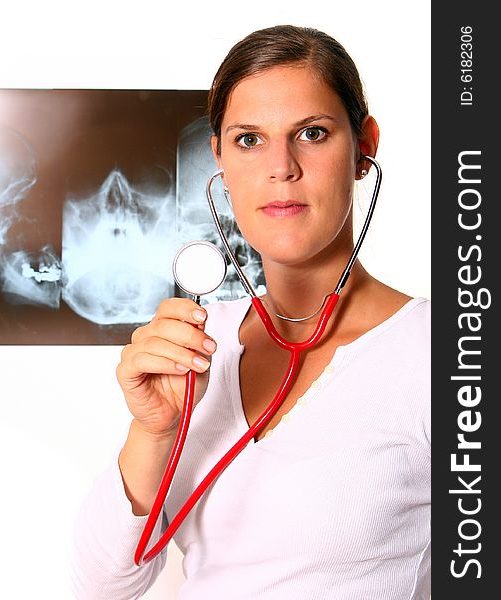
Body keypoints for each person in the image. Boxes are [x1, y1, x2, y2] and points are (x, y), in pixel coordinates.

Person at [70, 25, 431, 599]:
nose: (280, 167)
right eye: (248, 140)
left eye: (312, 133)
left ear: (365, 146)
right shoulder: (196, 340)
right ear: (218, 155)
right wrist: (152, 430)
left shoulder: (443, 356)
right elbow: (106, 584)